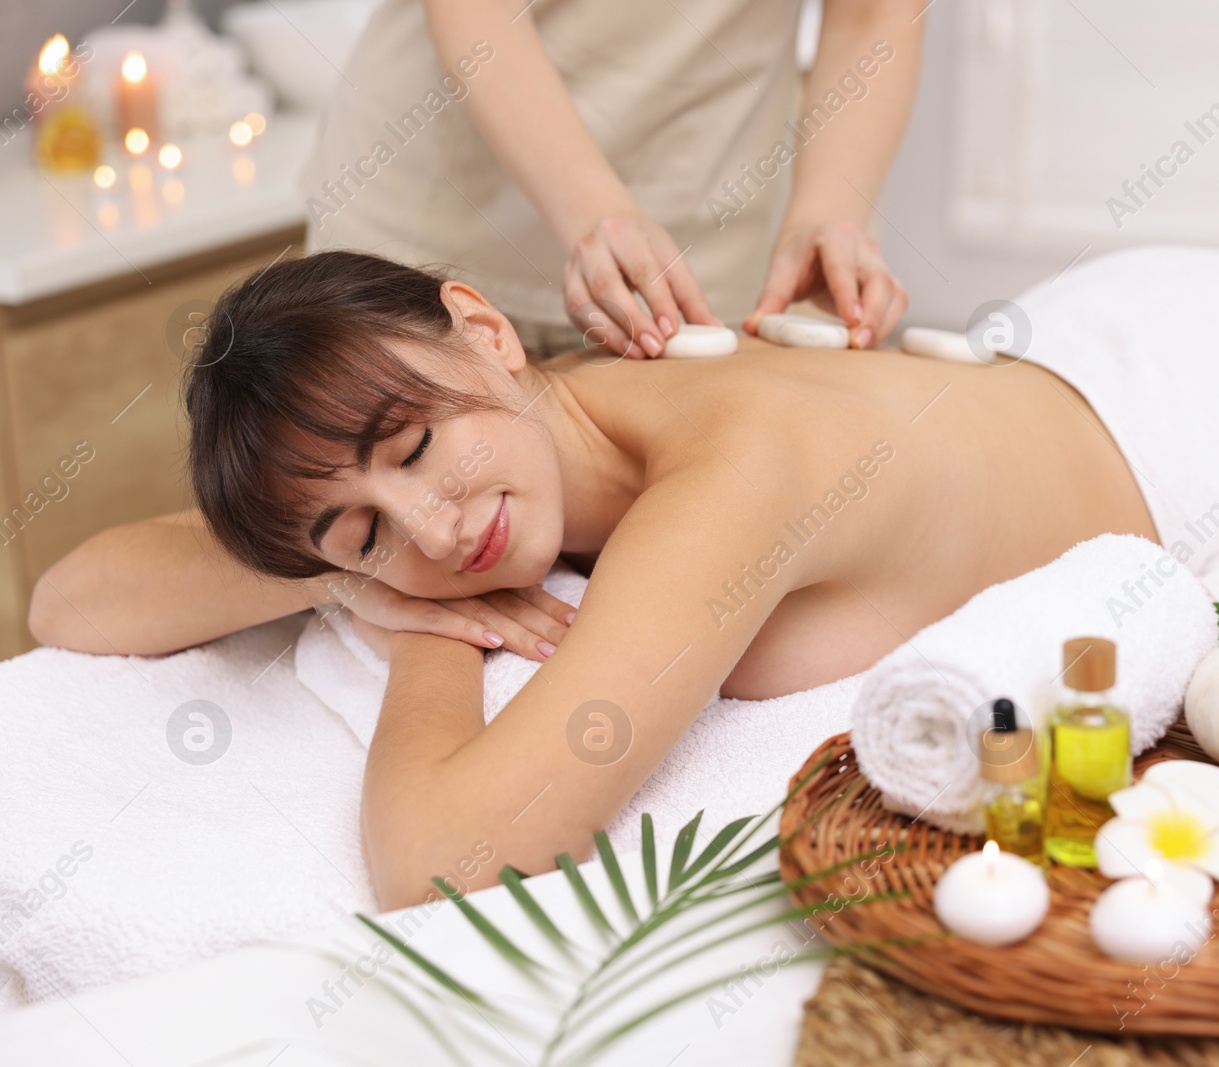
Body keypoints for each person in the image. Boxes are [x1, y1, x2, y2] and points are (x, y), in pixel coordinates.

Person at [30, 251, 1153, 908]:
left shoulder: (729, 475)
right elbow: (69, 600)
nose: (431, 525)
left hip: (1171, 399)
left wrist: (427, 622)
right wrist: (353, 582)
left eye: (415, 451)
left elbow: (440, 860)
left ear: (482, 327)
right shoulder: (539, 425)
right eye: (358, 527)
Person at [302, 0, 921, 359]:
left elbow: (873, 18)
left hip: (699, 266)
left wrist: (824, 214)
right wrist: (594, 210)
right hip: (436, 224)